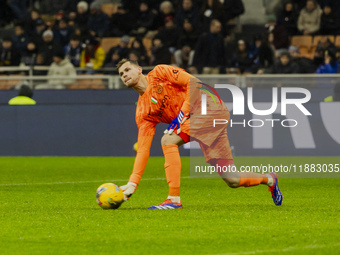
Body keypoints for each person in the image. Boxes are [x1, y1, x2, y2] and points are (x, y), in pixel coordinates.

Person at [117, 58, 283, 209]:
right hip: (198, 122)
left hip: (209, 106)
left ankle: (173, 199)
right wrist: (133, 182)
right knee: (232, 179)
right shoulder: (143, 112)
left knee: (168, 140)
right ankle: (269, 179)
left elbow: (194, 82)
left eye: (127, 70)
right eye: (121, 74)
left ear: (139, 69)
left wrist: (182, 113)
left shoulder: (160, 72)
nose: (124, 75)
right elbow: (143, 150)